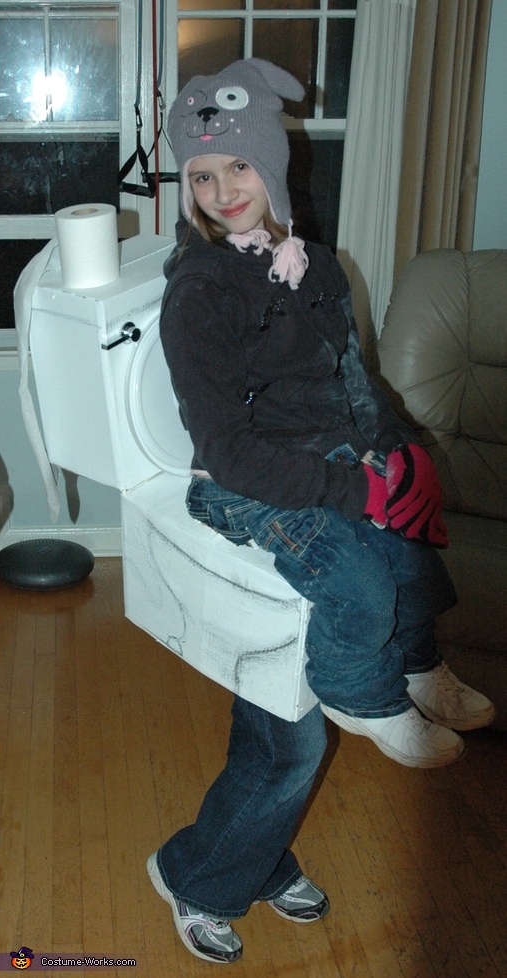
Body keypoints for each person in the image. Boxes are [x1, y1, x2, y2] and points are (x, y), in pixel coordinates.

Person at [147, 58, 495, 964]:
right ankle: (200, 870)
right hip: (242, 487)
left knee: (408, 559)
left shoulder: (316, 265)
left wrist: (402, 448)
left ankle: (255, 850)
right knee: (300, 721)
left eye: (238, 168)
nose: (222, 191)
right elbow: (224, 448)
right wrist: (354, 491)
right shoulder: (201, 292)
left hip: (323, 463)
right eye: (201, 177)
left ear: (273, 164)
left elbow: (353, 379)